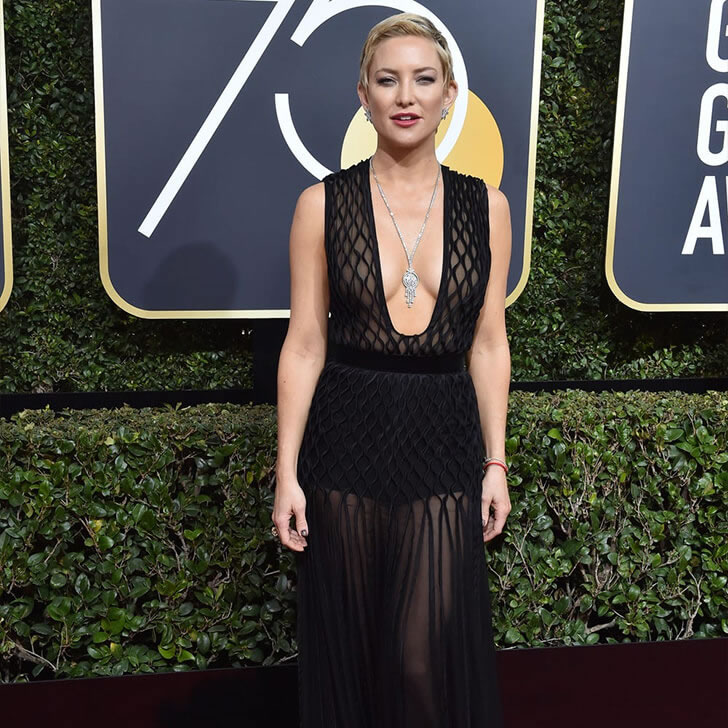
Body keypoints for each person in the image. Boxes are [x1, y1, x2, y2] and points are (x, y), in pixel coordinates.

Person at [273, 11, 512, 728]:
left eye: (423, 79)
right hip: (345, 444)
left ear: (449, 94)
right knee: (353, 651)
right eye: (387, 80)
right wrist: (287, 473)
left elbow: (488, 344)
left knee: (419, 660)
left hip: (442, 443)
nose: (405, 96)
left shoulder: (487, 208)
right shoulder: (320, 204)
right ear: (364, 95)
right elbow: (305, 344)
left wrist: (495, 462)